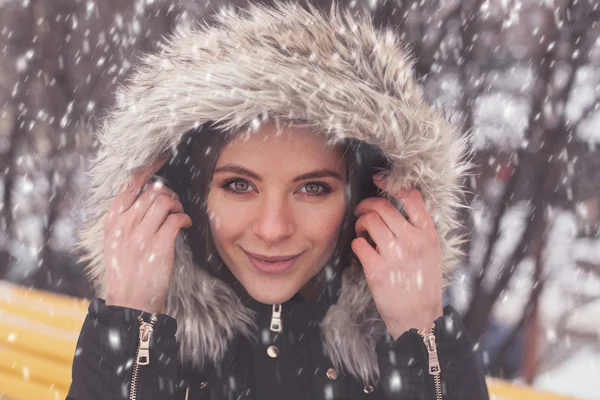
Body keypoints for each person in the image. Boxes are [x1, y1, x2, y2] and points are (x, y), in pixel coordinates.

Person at [67, 3, 489, 400]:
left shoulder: (402, 350)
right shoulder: (148, 339)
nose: (272, 229)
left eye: (312, 189)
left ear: (370, 199)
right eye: (238, 185)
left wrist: (422, 339)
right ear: (186, 196)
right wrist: (130, 326)